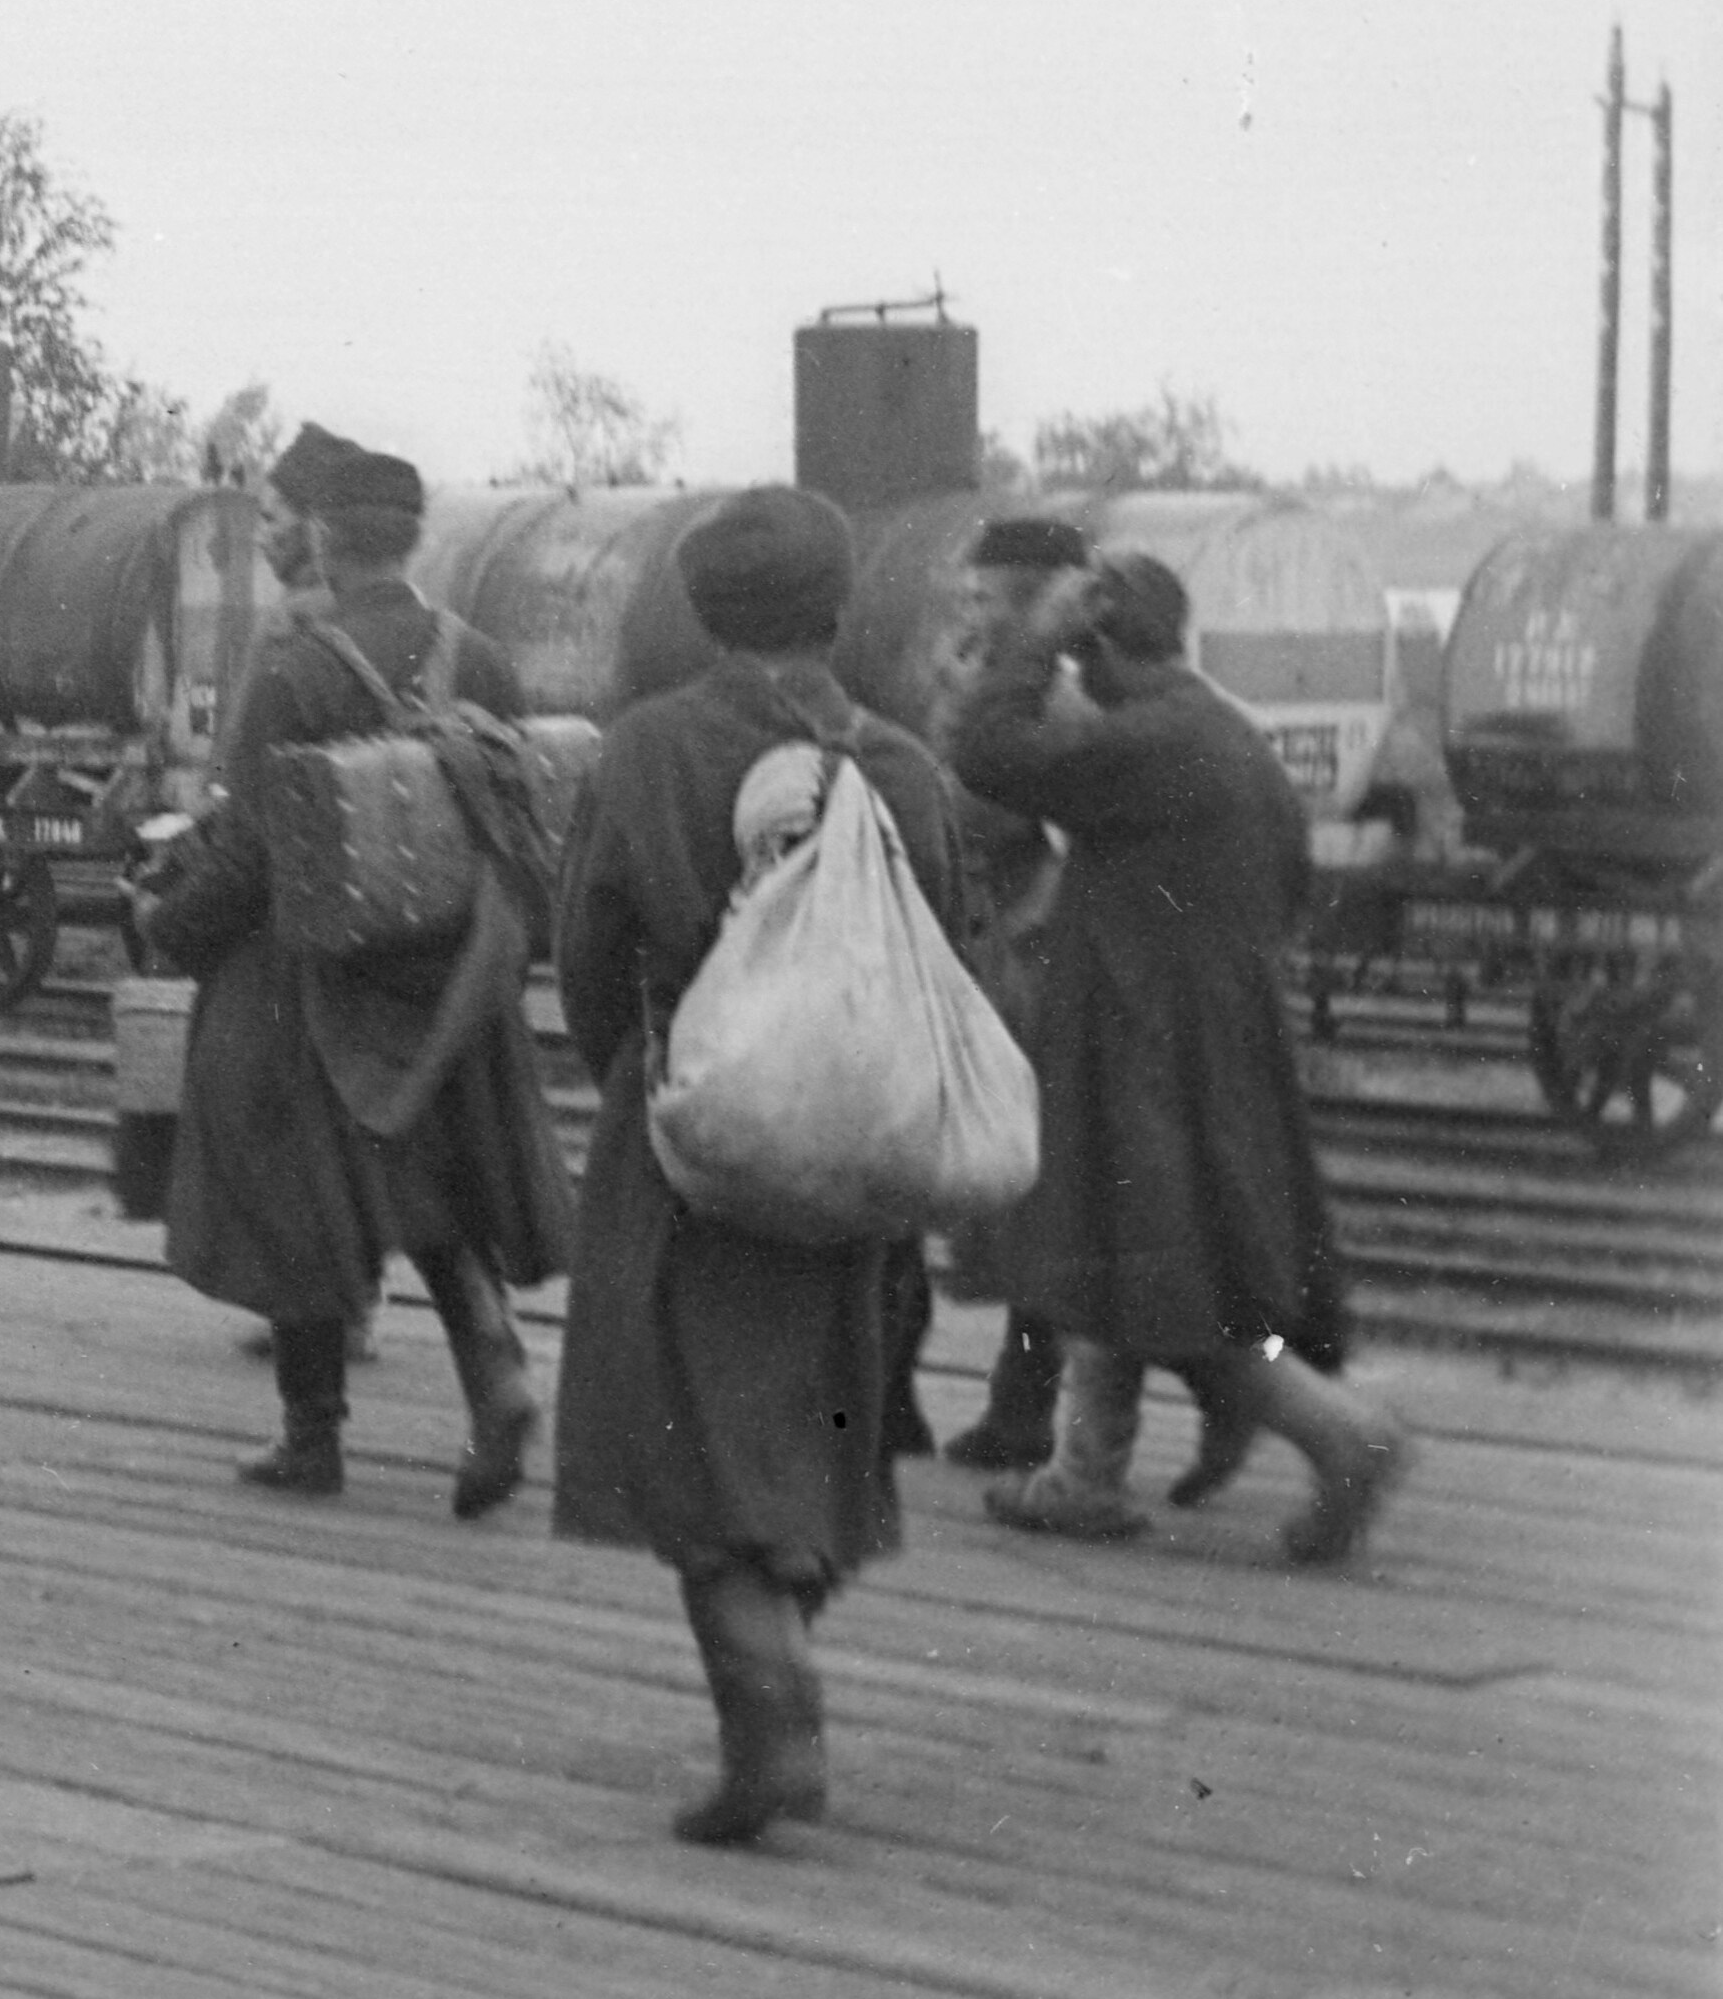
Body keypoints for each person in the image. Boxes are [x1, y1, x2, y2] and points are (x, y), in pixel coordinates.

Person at [552, 483, 973, 1843]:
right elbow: (945, 956)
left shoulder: (644, 751)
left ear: (702, 611)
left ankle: (766, 1713)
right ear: (838, 611)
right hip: (852, 1161)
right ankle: (782, 1628)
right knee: (813, 1421)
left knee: (681, 1438)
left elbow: (585, 964)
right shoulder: (902, 766)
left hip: (688, 1138)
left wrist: (654, 1068)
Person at [959, 554, 1410, 1564]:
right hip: (1202, 1034)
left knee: (1169, 1274)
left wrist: (1034, 640)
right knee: (1126, 1249)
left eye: (1085, 655)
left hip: (1143, 1041)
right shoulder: (1218, 729)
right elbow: (1289, 887)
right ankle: (1083, 1476)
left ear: (1106, 645)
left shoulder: (1154, 741)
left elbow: (987, 752)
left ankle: (1344, 1435)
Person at [143, 433, 566, 1507]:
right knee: (433, 1189)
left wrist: (171, 922)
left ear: (326, 538)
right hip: (447, 975)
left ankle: (311, 1437)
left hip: (313, 982)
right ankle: (495, 1367)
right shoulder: (482, 658)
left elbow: (248, 851)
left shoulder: (295, 670)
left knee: (293, 1195)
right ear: (411, 537)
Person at [925, 510, 1099, 1471]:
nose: (972, 614)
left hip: (1035, 964)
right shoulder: (989, 682)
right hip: (997, 956)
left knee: (1035, 1191)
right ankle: (1022, 1402)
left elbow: (990, 807)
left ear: (1036, 601)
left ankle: (1026, 1407)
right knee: (1016, 1192)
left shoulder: (1059, 705)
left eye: (989, 597)